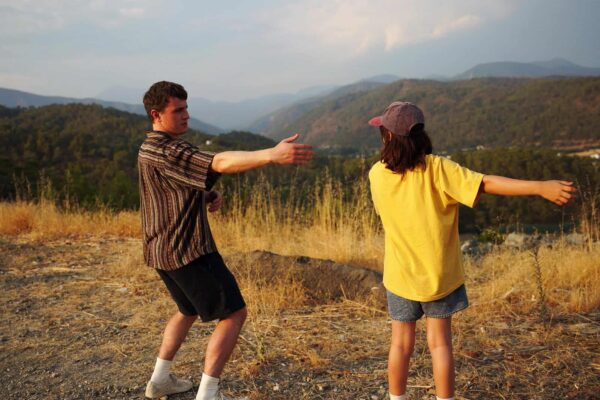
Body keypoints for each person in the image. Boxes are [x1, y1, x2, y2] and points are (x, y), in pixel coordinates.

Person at [367, 101, 576, 400]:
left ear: (387, 137)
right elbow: (487, 183)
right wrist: (540, 187)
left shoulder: (377, 174)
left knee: (400, 345)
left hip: (400, 277)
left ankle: (396, 398)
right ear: (421, 137)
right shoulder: (438, 170)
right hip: (440, 277)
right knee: (440, 345)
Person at [138, 81, 313, 400]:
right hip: (187, 250)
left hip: (159, 250)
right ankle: (209, 393)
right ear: (156, 114)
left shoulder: (148, 148)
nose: (187, 115)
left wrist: (204, 194)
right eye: (178, 110)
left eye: (187, 108)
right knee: (234, 314)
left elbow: (166, 191)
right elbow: (219, 162)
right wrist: (271, 155)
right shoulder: (171, 150)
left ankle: (160, 380)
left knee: (187, 310)